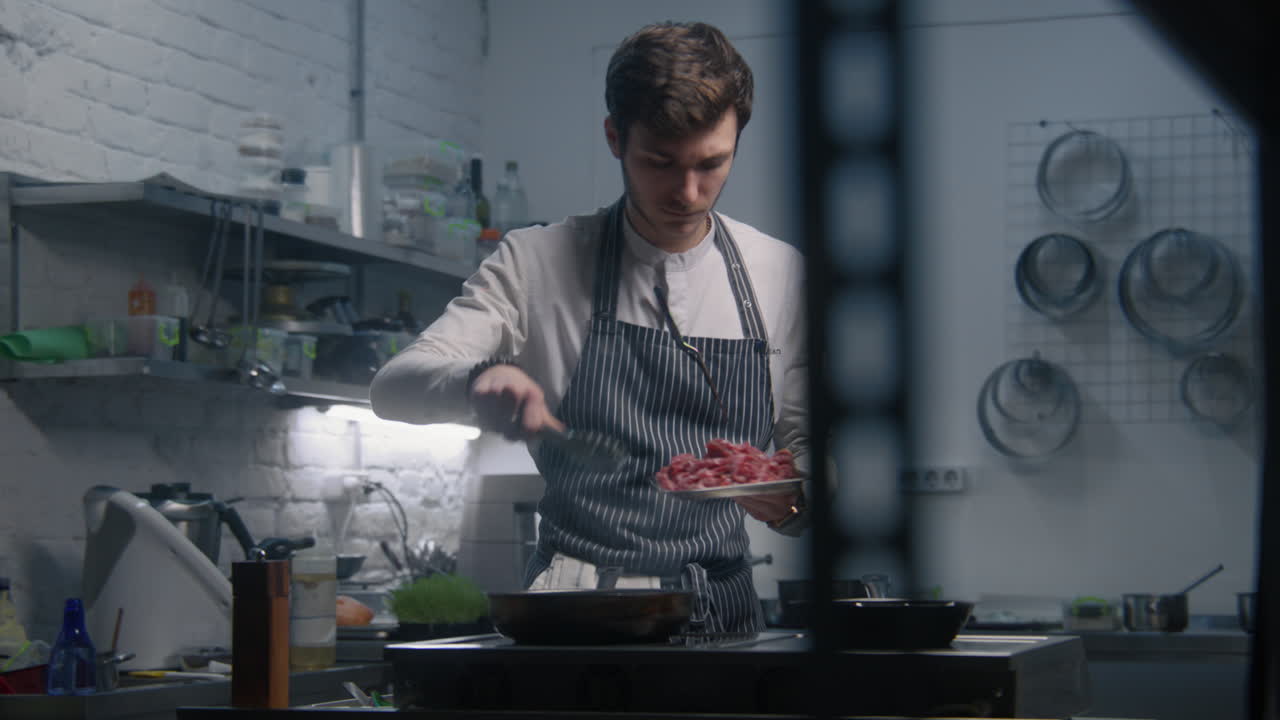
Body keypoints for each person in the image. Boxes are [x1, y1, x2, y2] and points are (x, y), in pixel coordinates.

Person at [369, 20, 808, 633]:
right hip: (576, 612)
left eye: (712, 163)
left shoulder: (779, 275)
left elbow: (812, 448)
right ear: (614, 137)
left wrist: (798, 498)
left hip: (722, 613)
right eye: (660, 162)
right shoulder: (536, 263)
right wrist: (476, 384)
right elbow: (393, 387)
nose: (688, 191)